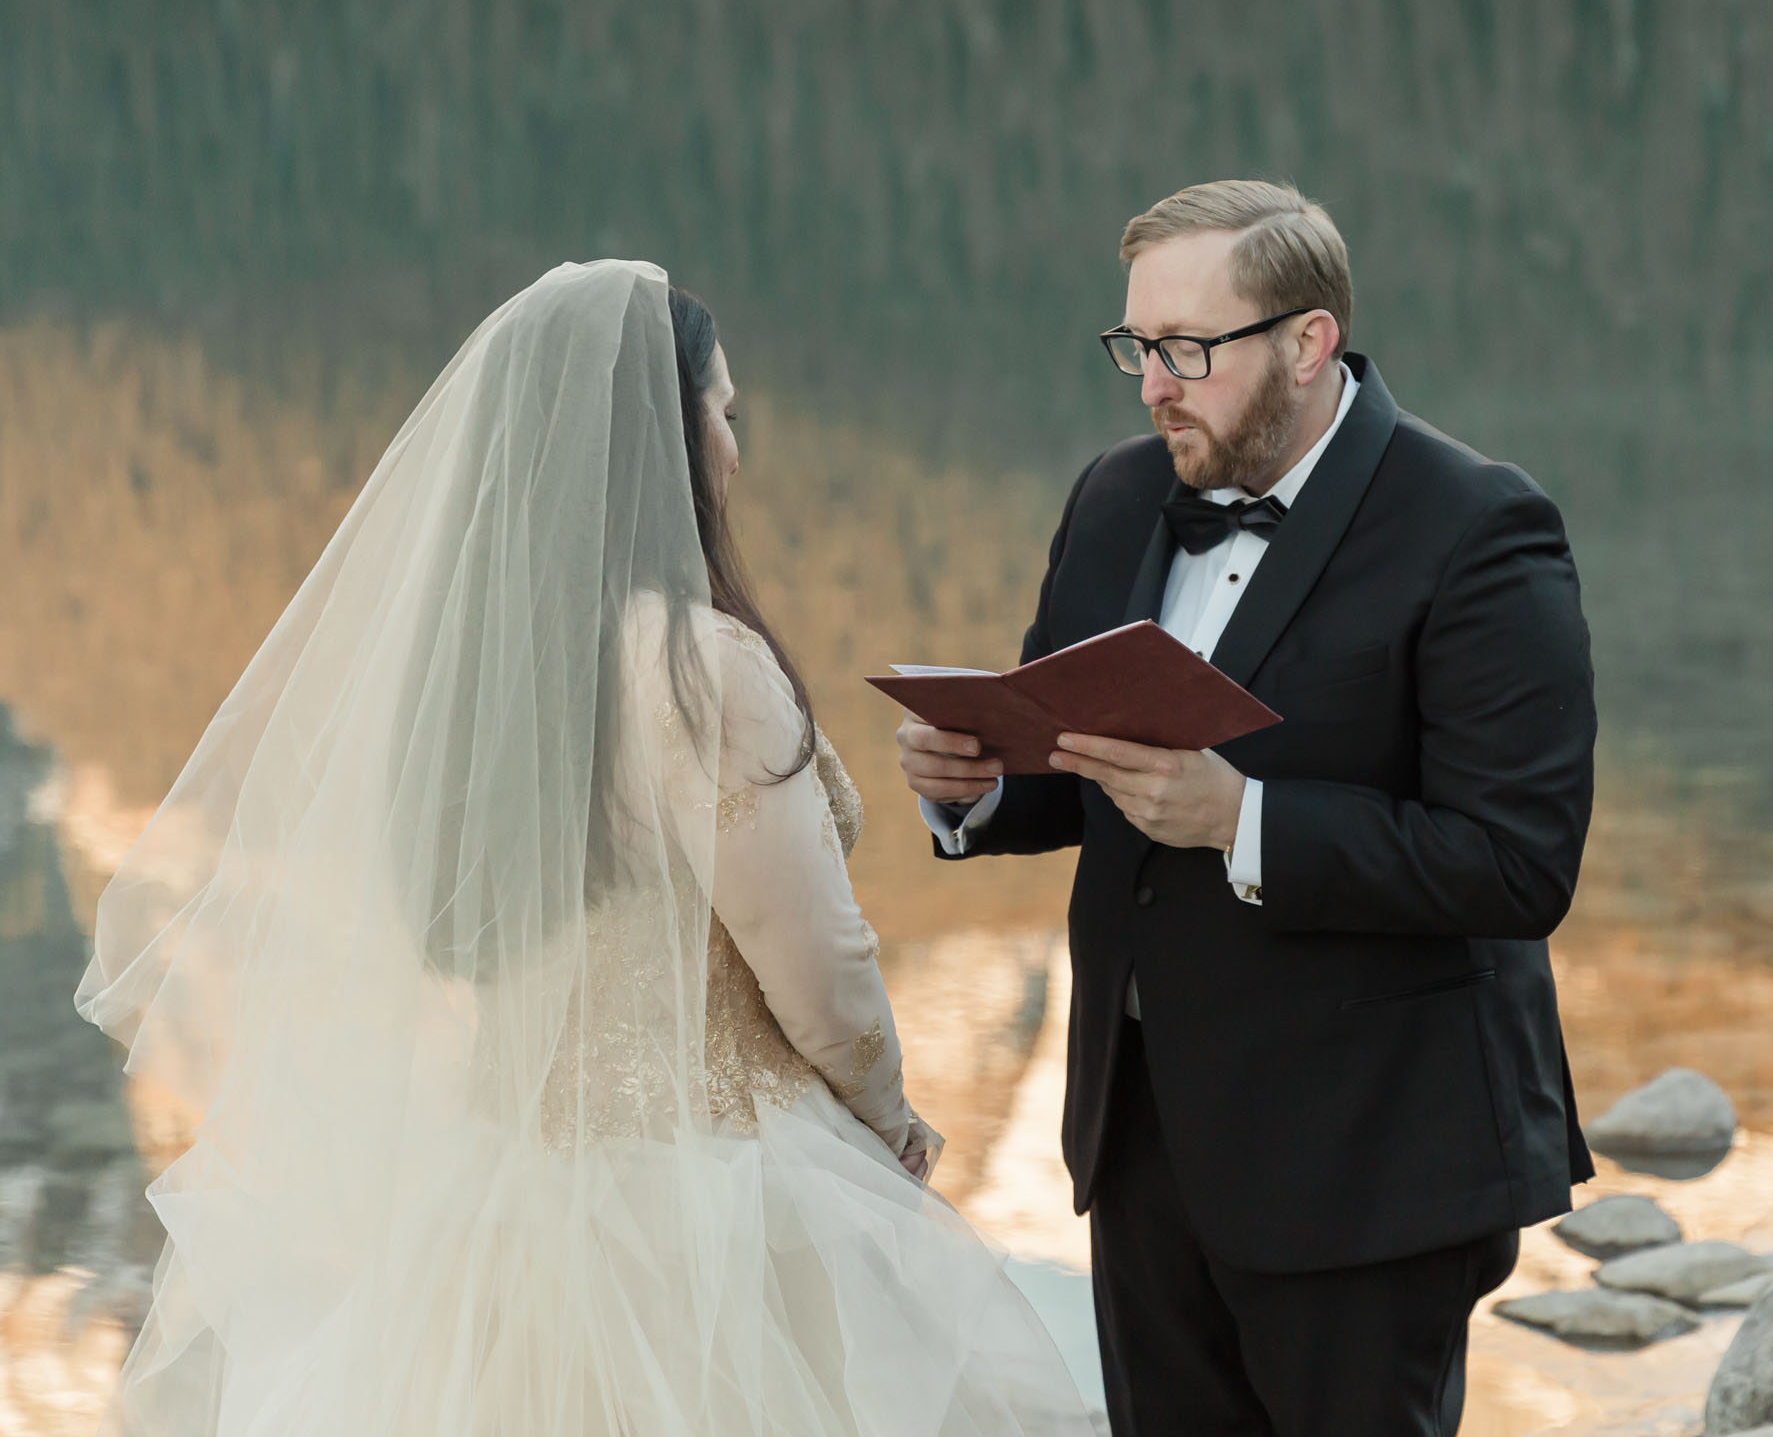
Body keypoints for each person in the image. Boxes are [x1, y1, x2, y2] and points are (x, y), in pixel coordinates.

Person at [77, 260, 1092, 1436]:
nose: (734, 450)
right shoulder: (701, 668)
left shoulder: (467, 681)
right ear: (663, 442)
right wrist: (889, 1122)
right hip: (725, 1187)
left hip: (503, 1200)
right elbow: (819, 969)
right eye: (722, 413)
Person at [898, 181, 1598, 1437]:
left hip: (1369, 1157)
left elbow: (1516, 863)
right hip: (1141, 1136)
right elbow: (1083, 763)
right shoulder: (1116, 495)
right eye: (1135, 347)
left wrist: (1243, 820)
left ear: (1306, 341)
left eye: (1186, 349)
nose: (1152, 387)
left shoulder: (1477, 525)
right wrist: (982, 786)